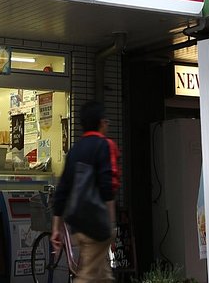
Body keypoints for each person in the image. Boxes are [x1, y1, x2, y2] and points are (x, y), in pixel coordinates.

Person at [51, 101, 121, 283]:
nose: (108, 124)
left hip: (78, 225)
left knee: (103, 276)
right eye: (106, 121)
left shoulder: (75, 150)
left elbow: (62, 190)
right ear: (101, 122)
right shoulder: (103, 145)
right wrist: (111, 222)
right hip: (96, 223)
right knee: (87, 276)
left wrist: (56, 228)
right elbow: (107, 187)